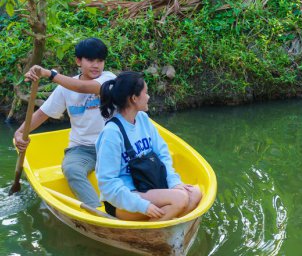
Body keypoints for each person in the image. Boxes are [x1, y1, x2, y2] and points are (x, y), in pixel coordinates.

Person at [14, 38, 116, 208]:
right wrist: (19, 133)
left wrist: (50, 74)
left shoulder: (109, 80)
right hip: (82, 148)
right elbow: (41, 114)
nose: (96, 65)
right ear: (78, 61)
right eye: (90, 60)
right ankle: (97, 211)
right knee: (71, 170)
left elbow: (83, 88)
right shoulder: (64, 88)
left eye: (100, 60)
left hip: (112, 145)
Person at [96, 71, 202, 221]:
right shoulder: (112, 133)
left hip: (149, 186)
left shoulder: (143, 119)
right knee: (180, 200)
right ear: (134, 98)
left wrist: (174, 182)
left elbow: (162, 153)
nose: (149, 97)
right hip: (124, 199)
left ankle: (162, 225)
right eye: (145, 93)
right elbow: (107, 184)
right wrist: (142, 205)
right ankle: (150, 236)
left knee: (195, 193)